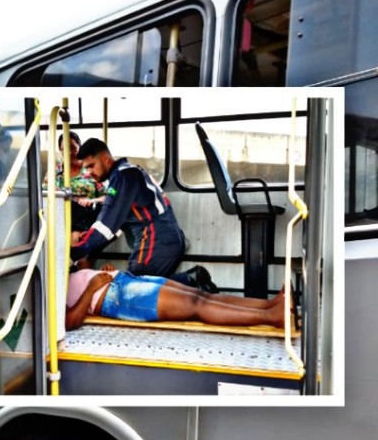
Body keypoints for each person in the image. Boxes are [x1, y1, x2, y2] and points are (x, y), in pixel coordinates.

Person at [71, 138, 217, 293]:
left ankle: (191, 280)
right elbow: (117, 222)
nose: (89, 173)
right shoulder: (127, 173)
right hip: (166, 239)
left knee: (133, 288)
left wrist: (74, 254)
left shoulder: (122, 177)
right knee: (147, 286)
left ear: (106, 159)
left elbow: (107, 224)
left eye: (91, 166)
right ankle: (193, 282)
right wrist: (90, 243)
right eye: (86, 169)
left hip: (156, 241)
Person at [65, 264, 285, 331]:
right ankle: (272, 317)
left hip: (124, 281)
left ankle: (269, 305)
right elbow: (69, 321)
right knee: (196, 305)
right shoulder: (40, 289)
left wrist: (94, 273)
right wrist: (91, 288)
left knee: (202, 295)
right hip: (118, 297)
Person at [46, 131, 106, 233]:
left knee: (75, 236)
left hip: (88, 216)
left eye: (73, 148)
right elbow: (44, 195)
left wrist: (93, 200)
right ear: (60, 150)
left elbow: (111, 194)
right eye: (65, 149)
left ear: (80, 147)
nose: (69, 153)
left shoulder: (92, 169)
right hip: (61, 217)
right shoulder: (54, 172)